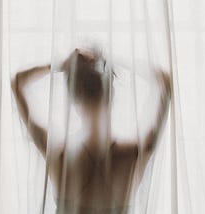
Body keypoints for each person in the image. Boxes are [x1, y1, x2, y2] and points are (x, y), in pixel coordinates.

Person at [11, 48, 171, 214]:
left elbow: (17, 83)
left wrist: (61, 64)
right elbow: (165, 82)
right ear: (111, 95)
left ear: (73, 99)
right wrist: (112, 59)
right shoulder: (133, 153)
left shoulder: (58, 152)